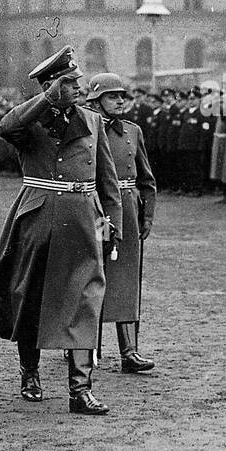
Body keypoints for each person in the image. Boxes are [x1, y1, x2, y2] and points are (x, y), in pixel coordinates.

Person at [0, 48, 123, 413]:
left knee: (85, 298)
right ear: (51, 86)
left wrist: (113, 221)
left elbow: (107, 177)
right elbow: (6, 127)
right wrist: (45, 99)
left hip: (83, 219)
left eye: (76, 81)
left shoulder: (93, 122)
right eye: (69, 83)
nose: (78, 87)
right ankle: (30, 371)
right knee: (30, 296)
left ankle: (80, 389)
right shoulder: (30, 121)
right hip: (39, 215)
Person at [85, 73, 158, 372]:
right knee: (96, 272)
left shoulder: (132, 131)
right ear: (96, 100)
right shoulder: (86, 130)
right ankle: (87, 348)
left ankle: (130, 351)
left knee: (128, 277)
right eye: (112, 96)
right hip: (100, 210)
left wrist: (147, 214)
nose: (119, 101)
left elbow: (146, 178)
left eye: (121, 96)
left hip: (128, 209)